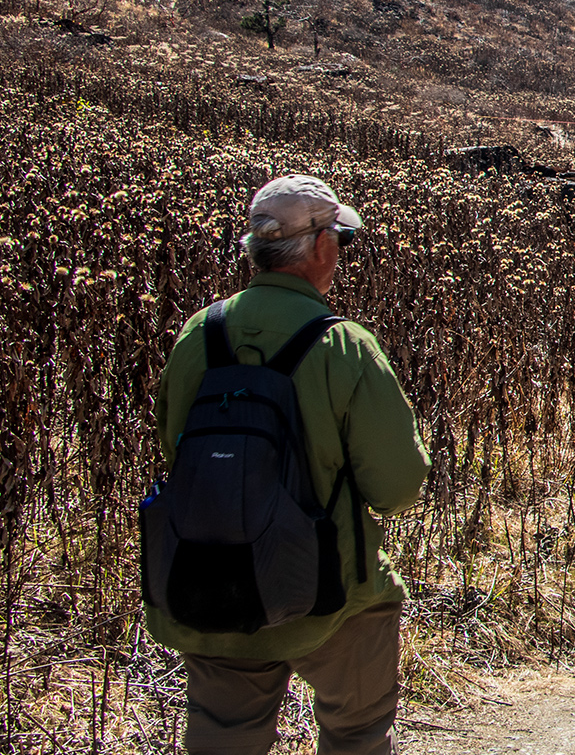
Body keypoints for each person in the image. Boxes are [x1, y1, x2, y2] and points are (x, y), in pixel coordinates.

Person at [149, 175, 430, 754]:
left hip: (209, 583)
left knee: (222, 738)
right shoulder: (344, 346)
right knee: (357, 732)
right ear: (321, 246)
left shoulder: (199, 333)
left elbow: (173, 449)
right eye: (339, 240)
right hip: (333, 595)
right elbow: (397, 484)